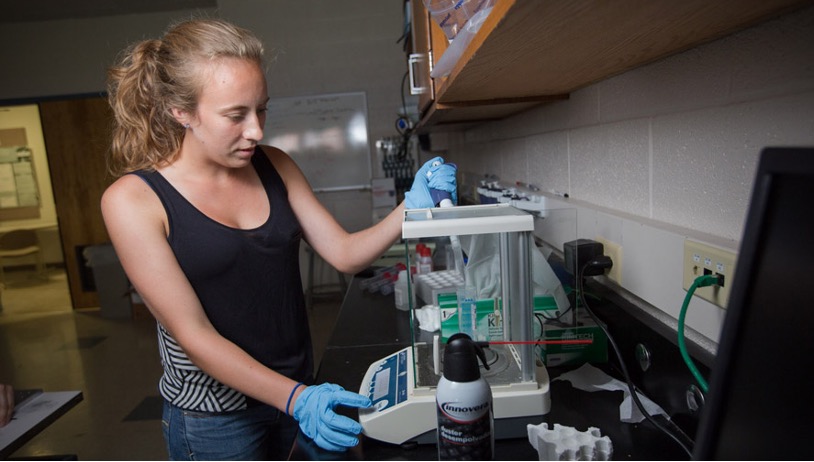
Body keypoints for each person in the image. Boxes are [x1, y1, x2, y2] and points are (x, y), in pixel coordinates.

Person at [102, 17, 456, 460]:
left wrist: (411, 206)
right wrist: (295, 398)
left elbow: (344, 254)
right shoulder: (134, 200)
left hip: (298, 392)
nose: (256, 130)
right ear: (181, 111)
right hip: (215, 419)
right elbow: (194, 336)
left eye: (261, 109)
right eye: (236, 115)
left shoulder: (275, 165)